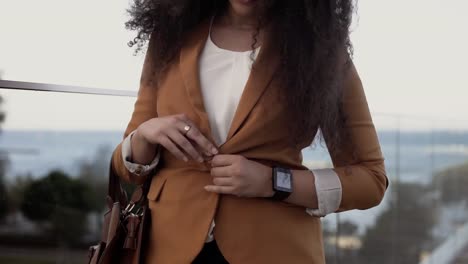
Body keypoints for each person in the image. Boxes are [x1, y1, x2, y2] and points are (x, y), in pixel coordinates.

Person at [111, 0, 389, 263]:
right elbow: (126, 168)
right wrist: (146, 134)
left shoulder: (321, 52)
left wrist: (274, 182)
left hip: (275, 250)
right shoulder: (170, 36)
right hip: (167, 248)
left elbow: (370, 180)